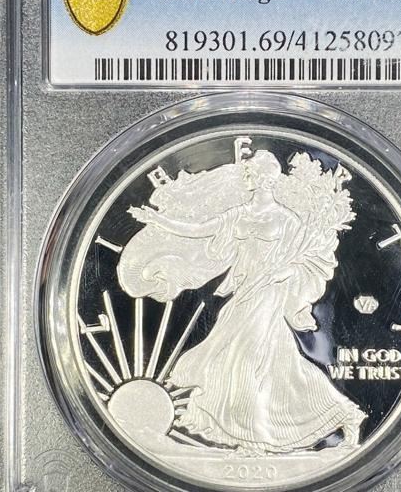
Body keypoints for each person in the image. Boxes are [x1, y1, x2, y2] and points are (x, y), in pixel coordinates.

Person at [129, 150, 366, 453]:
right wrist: (159, 221)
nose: (246, 175)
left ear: (266, 178)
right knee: (275, 365)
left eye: (251, 172)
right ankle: (343, 414)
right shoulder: (239, 214)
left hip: (269, 293)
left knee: (246, 358)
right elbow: (199, 231)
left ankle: (255, 438)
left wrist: (285, 271)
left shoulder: (286, 219)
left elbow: (308, 258)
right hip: (245, 293)